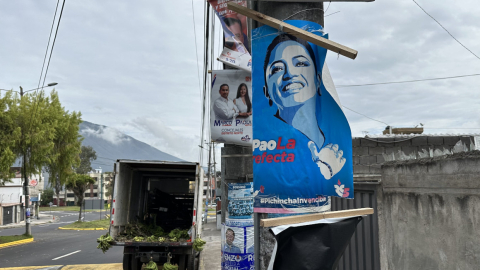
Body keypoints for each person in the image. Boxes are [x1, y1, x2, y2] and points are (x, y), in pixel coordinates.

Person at [262, 33, 345, 180]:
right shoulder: (266, 145)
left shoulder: (337, 139)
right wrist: (322, 172)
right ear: (266, 91)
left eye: (300, 63)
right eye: (277, 69)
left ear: (318, 80)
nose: (290, 74)